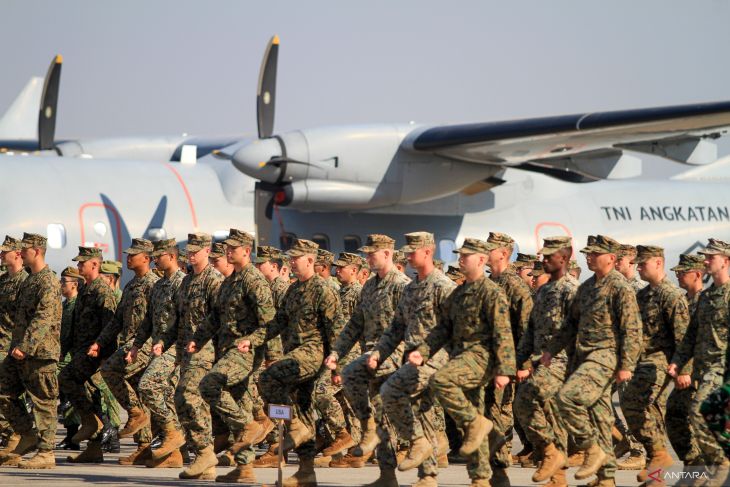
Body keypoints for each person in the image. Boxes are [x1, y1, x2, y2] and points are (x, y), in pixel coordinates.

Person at [542, 235, 642, 487]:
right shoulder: (587, 287)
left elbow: (632, 329)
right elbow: (570, 325)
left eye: (595, 253)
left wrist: (627, 365)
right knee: (599, 415)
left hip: (605, 357)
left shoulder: (620, 287)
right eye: (587, 253)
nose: (589, 257)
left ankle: (591, 447)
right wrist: (551, 350)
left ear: (611, 258)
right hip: (583, 357)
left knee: (567, 398)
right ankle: (606, 478)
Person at [424, 237, 515, 487]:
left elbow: (503, 332)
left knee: (441, 381)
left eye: (466, 256)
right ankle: (480, 477)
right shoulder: (460, 292)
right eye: (460, 255)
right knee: (470, 424)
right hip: (461, 357)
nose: (461, 259)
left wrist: (505, 370)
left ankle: (479, 425)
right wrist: (422, 351)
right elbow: (443, 328)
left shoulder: (491, 292)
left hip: (481, 357)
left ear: (482, 260)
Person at [324, 234, 410, 487]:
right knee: (382, 416)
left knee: (406, 415)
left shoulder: (402, 285)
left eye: (372, 253)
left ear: (387, 254)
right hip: (372, 355)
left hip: (394, 354)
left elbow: (412, 326)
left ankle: (428, 470)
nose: (367, 258)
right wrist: (336, 352)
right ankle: (387, 474)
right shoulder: (370, 287)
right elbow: (354, 325)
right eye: (367, 253)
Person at [373, 232, 456, 487]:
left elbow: (456, 329)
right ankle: (428, 476)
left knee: (390, 391)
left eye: (412, 251)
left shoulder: (443, 286)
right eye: (406, 252)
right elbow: (396, 328)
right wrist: (379, 353)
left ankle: (417, 442)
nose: (407, 256)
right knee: (424, 414)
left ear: (428, 252)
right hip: (413, 360)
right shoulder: (411, 288)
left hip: (435, 360)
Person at [258, 239, 343, 487]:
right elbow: (278, 322)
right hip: (294, 355)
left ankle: (295, 427)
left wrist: (337, 367)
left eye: (296, 258)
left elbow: (336, 331)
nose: (291, 262)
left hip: (313, 355)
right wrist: (252, 339)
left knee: (268, 378)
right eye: (291, 258)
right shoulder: (293, 290)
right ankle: (306, 472)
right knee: (304, 411)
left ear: (310, 260)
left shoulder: (324, 290)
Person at [193, 229, 276, 483]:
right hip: (228, 350)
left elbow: (271, 322)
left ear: (246, 252)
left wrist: (263, 348)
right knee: (239, 403)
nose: (227, 252)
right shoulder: (230, 281)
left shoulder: (254, 280)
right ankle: (245, 468)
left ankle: (248, 427)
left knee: (209, 385)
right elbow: (215, 317)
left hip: (246, 352)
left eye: (232, 249)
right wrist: (198, 339)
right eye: (226, 248)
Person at [513, 236, 578, 487]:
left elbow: (580, 331)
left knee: (526, 399)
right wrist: (519, 362)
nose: (544, 260)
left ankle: (551, 452)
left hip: (562, 362)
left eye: (550, 256)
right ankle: (558, 476)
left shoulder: (571, 290)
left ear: (565, 257)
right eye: (543, 255)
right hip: (542, 362)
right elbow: (530, 332)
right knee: (552, 417)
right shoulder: (544, 291)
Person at [622, 245, 689, 483]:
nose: (638, 267)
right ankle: (656, 473)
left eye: (643, 263)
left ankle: (659, 457)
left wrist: (684, 370)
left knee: (633, 400)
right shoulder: (642, 295)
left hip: (663, 361)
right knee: (652, 416)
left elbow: (683, 337)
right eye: (637, 263)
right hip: (643, 361)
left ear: (659, 263)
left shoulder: (671, 296)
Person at [669, 239, 730, 484]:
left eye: (710, 257)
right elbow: (691, 335)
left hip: (722, 369)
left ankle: (720, 464)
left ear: (726, 261)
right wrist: (678, 361)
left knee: (699, 413)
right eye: (704, 257)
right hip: (704, 369)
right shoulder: (706, 297)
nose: (705, 261)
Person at [0, 233, 62, 469]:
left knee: (44, 402)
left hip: (41, 353)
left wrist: (25, 346)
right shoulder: (29, 281)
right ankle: (26, 434)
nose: (20, 252)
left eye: (25, 249)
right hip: (20, 352)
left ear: (36, 251)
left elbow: (43, 317)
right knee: (4, 392)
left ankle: (46, 452)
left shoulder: (48, 281)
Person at [96, 238, 159, 465]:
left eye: (134, 254)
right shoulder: (132, 285)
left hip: (147, 344)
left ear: (147, 258)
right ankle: (144, 447)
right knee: (139, 394)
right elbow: (117, 321)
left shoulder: (155, 284)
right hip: (131, 343)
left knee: (111, 370)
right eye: (128, 254)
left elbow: (158, 320)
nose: (128, 258)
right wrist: (100, 342)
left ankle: (135, 413)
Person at [57, 246, 117, 464]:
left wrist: (103, 354)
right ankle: (94, 447)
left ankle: (91, 422)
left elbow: (110, 325)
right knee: (91, 397)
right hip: (81, 352)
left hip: (95, 354)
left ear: (95, 264)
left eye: (82, 262)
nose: (78, 266)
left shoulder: (102, 291)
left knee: (66, 378)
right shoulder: (85, 289)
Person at [132, 238, 187, 468]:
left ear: (172, 257)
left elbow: (186, 321)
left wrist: (168, 343)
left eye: (160, 255)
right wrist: (137, 344)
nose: (155, 259)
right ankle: (172, 456)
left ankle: (174, 432)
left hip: (176, 347)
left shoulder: (182, 284)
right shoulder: (159, 285)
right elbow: (148, 319)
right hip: (158, 346)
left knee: (148, 386)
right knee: (163, 396)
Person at [175, 232, 223, 481]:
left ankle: (204, 451)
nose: (191, 253)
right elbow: (180, 319)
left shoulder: (213, 281)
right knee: (186, 401)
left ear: (208, 251)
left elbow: (220, 320)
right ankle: (206, 459)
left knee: (188, 396)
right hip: (186, 351)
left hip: (205, 350)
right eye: (189, 249)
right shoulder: (186, 281)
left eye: (196, 249)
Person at [666, 254, 706, 471]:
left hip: (704, 372)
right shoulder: (682, 301)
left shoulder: (706, 301)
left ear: (698, 274)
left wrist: (689, 371)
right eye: (677, 272)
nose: (678, 275)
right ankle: (694, 464)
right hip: (686, 370)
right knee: (674, 414)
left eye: (683, 272)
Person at [0, 236, 28, 451]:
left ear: (17, 254)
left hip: (11, 346)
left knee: (8, 393)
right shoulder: (4, 281)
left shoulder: (24, 282)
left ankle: (17, 434)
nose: (1, 254)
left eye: (5, 251)